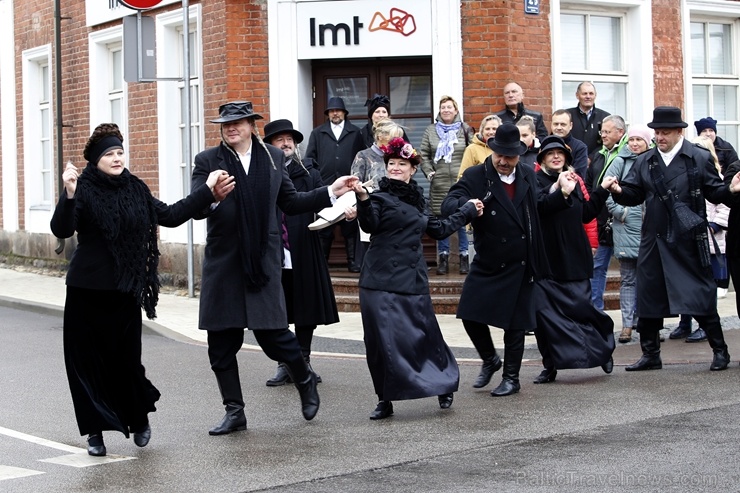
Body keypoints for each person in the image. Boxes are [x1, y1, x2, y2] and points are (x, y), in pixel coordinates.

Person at [51, 123, 231, 457]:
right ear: (95, 159)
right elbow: (61, 227)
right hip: (86, 290)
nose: (117, 158)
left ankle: (139, 418)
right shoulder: (83, 187)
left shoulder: (135, 188)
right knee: (87, 365)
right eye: (109, 154)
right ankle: (95, 433)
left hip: (125, 291)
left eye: (120, 152)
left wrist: (207, 191)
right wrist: (70, 192)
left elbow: (172, 216)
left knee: (127, 361)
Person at [191, 101, 358, 435]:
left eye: (238, 122)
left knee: (274, 337)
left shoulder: (273, 157)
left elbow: (292, 202)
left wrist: (330, 191)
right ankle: (234, 411)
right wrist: (210, 195)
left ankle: (304, 377)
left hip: (262, 262)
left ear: (252, 124)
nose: (230, 127)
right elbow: (197, 207)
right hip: (224, 262)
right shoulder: (208, 160)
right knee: (221, 344)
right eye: (225, 123)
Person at [353, 137, 483, 419]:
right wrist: (362, 198)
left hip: (411, 280)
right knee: (380, 343)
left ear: (412, 169)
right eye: (391, 163)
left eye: (402, 164)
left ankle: (443, 383)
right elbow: (370, 223)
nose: (396, 168)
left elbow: (438, 229)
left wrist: (467, 210)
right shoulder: (376, 197)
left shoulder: (418, 202)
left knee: (425, 337)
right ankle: (384, 398)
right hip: (378, 281)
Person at [606, 106, 740, 372]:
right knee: (650, 297)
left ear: (680, 132)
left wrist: (731, 191)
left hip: (688, 239)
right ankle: (651, 354)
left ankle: (720, 351)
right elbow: (634, 194)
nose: (660, 137)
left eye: (665, 132)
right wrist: (619, 190)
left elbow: (714, 192)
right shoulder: (646, 160)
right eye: (657, 132)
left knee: (699, 295)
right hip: (653, 239)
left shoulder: (698, 157)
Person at [442, 123, 551, 397]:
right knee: (469, 313)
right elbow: (449, 201)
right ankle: (490, 359)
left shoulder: (527, 173)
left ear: (518, 155)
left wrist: (561, 194)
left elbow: (539, 206)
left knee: (515, 323)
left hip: (521, 260)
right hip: (489, 259)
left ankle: (511, 378)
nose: (503, 161)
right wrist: (466, 207)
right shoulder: (477, 175)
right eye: (498, 154)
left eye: (509, 156)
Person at [261, 118, 340, 387]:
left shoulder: (309, 174)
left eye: (289, 139)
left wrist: (343, 214)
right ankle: (285, 364)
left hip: (304, 247)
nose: (285, 143)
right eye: (279, 139)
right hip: (272, 251)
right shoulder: (262, 174)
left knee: (305, 308)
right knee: (277, 309)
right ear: (269, 145)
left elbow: (326, 207)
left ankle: (303, 362)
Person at [532, 136, 616, 384]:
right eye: (550, 154)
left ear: (567, 158)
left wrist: (602, 191)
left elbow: (586, 213)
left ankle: (602, 349)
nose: (556, 157)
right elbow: (541, 207)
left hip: (575, 258)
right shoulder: (534, 181)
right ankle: (550, 366)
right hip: (547, 260)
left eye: (560, 153)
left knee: (582, 311)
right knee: (543, 317)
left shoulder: (574, 180)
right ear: (542, 159)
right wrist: (560, 192)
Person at [669, 136, 731, 343]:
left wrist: (712, 226)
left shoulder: (716, 175)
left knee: (706, 284)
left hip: (709, 238)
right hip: (688, 236)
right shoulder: (683, 174)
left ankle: (705, 326)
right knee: (685, 281)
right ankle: (684, 322)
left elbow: (723, 205)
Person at [605, 125, 653, 344]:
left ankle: (645, 323)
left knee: (648, 279)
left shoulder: (654, 160)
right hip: (626, 228)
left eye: (639, 140)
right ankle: (626, 325)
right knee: (628, 279)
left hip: (650, 228)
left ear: (647, 142)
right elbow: (606, 190)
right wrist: (621, 212)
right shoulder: (619, 162)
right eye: (631, 139)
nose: (634, 143)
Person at [305, 97, 364, 272]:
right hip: (325, 186)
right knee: (325, 225)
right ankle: (323, 262)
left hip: (349, 187)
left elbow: (360, 157)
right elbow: (309, 158)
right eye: (331, 111)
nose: (335, 113)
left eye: (338, 110)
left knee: (350, 224)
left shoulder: (355, 132)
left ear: (344, 113)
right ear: (328, 114)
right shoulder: (318, 133)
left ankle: (353, 262)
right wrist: (316, 180)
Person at [420, 95, 473, 275]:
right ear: (439, 111)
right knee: (441, 218)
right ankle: (442, 258)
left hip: (461, 182)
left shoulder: (465, 129)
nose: (446, 110)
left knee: (462, 217)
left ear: (456, 110)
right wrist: (429, 172)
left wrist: (468, 174)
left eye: (450, 107)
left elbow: (472, 152)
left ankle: (464, 257)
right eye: (443, 107)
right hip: (439, 182)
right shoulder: (430, 130)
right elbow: (423, 155)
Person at [586, 114, 628, 310]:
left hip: (625, 220)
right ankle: (596, 311)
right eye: (602, 131)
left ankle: (635, 317)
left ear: (620, 133)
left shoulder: (630, 153)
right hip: (601, 219)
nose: (602, 135)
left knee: (630, 272)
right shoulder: (598, 154)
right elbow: (589, 182)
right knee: (597, 267)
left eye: (607, 131)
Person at [351, 119, 405, 264]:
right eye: (394, 138)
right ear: (381, 137)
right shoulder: (363, 155)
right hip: (371, 209)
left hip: (393, 211)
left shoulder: (396, 157)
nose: (398, 142)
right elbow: (354, 185)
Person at [567, 82, 611, 155]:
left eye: (591, 93)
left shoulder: (605, 118)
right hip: (572, 161)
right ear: (577, 95)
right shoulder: (567, 116)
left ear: (595, 95)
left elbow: (610, 142)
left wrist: (592, 158)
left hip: (597, 163)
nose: (588, 96)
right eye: (584, 93)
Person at [457, 114, 501, 179]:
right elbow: (463, 176)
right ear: (482, 131)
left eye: (494, 129)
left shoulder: (504, 148)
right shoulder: (472, 149)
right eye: (487, 129)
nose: (491, 132)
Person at [550, 109, 589, 179]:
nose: (559, 128)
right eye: (556, 124)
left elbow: (579, 176)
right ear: (551, 125)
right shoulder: (543, 145)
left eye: (563, 124)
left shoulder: (580, 148)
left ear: (571, 126)